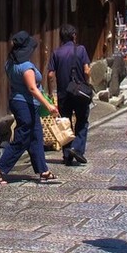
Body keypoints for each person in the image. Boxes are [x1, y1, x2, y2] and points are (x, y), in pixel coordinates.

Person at [0, 31, 60, 186]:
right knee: (22, 138)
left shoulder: (10, 63)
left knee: (36, 136)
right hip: (25, 104)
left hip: (18, 101)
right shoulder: (26, 67)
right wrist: (48, 105)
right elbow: (32, 89)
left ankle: (43, 171)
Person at [47, 24, 92, 166]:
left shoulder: (56, 53)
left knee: (65, 122)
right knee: (82, 120)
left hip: (63, 94)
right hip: (79, 92)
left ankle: (67, 155)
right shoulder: (81, 50)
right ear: (73, 36)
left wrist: (51, 92)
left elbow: (50, 75)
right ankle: (77, 148)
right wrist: (87, 83)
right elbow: (86, 70)